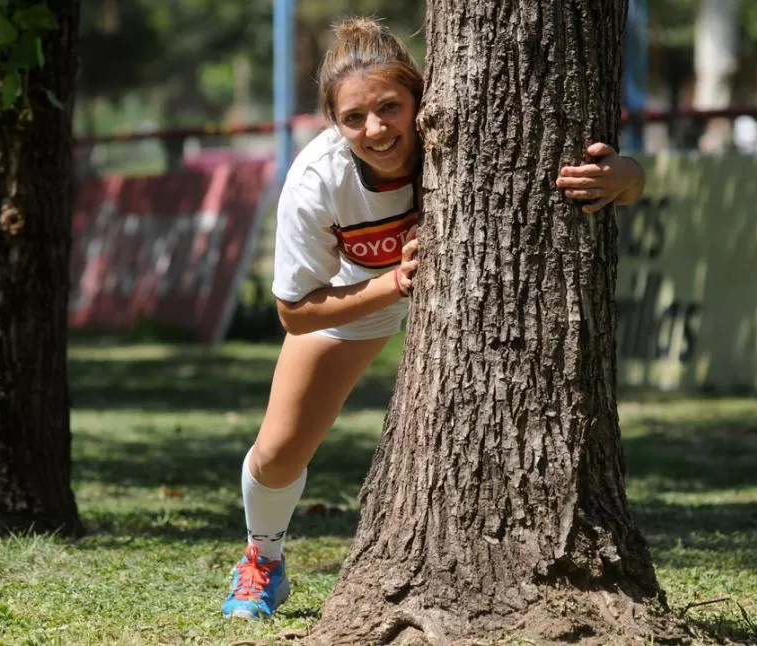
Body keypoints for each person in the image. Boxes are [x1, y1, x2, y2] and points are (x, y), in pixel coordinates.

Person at [221, 17, 647, 620]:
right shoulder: (318, 179)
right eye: (353, 118)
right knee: (278, 453)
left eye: (390, 107)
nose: (375, 129)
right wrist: (392, 282)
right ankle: (263, 560)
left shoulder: (469, 132)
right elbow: (293, 312)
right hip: (358, 300)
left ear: (421, 99)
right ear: (334, 123)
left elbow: (623, 179)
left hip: (477, 302)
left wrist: (624, 177)